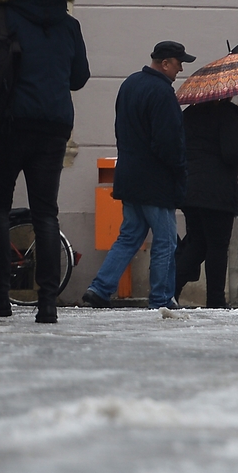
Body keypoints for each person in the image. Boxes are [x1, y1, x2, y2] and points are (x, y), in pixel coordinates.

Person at [0, 0, 90, 324]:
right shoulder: (68, 23)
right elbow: (79, 77)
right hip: (53, 126)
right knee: (45, 213)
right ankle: (47, 302)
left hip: (7, 123)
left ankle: (1, 297)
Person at [81, 42, 193, 310]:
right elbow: (168, 142)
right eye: (178, 63)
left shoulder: (130, 84)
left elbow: (122, 129)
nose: (180, 69)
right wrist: (180, 171)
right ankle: (161, 298)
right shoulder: (162, 92)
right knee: (165, 241)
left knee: (129, 235)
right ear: (165, 63)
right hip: (156, 180)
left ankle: (99, 289)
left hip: (130, 174)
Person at [173, 97, 238, 308]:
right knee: (217, 247)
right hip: (217, 192)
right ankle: (216, 299)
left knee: (197, 243)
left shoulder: (189, 114)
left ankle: (170, 289)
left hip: (191, 190)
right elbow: (231, 153)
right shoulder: (225, 114)